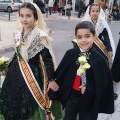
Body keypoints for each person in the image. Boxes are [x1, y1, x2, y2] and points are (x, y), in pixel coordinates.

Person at [0, 2, 62, 120]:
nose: (24, 19)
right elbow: (17, 54)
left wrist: (52, 80)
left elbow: (47, 60)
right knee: (13, 99)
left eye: (28, 16)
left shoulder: (40, 36)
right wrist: (7, 68)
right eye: (22, 15)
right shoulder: (18, 33)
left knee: (29, 102)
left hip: (33, 74)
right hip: (15, 72)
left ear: (35, 17)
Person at [55, 21, 114, 120]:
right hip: (72, 96)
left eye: (87, 36)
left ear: (94, 36)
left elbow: (103, 83)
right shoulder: (70, 54)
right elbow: (61, 72)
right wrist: (53, 80)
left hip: (89, 100)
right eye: (80, 37)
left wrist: (89, 88)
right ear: (76, 37)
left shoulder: (100, 59)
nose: (83, 40)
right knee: (68, 116)